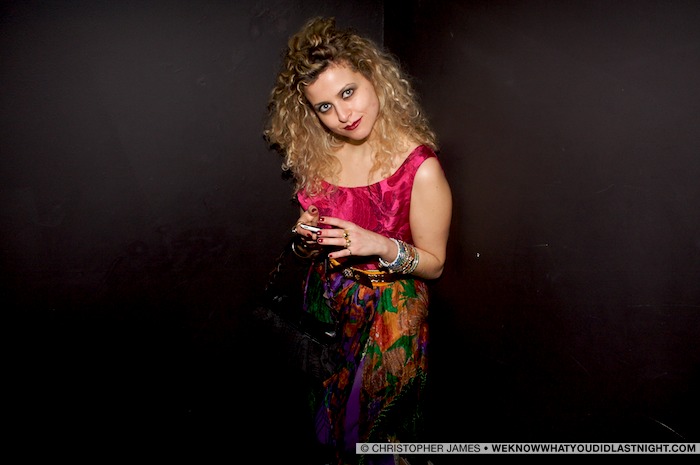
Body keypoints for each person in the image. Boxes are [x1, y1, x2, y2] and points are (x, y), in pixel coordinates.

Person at [264, 16, 452, 465]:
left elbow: (435, 264)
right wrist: (305, 240)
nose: (343, 116)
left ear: (374, 77)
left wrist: (381, 245)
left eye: (348, 92)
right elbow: (309, 247)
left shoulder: (419, 168)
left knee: (369, 434)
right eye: (325, 107)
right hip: (326, 307)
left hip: (388, 317)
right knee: (325, 425)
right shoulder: (319, 155)